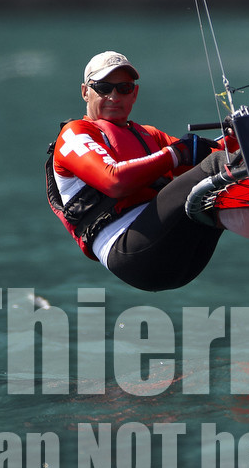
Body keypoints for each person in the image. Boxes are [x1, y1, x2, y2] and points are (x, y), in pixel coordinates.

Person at [46, 51, 232, 291]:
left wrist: (241, 134)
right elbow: (114, 180)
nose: (114, 96)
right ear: (85, 92)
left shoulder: (148, 134)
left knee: (228, 174)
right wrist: (177, 154)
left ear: (134, 94)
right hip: (131, 251)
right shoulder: (74, 133)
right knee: (217, 170)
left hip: (182, 261)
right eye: (103, 88)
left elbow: (219, 155)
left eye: (124, 88)